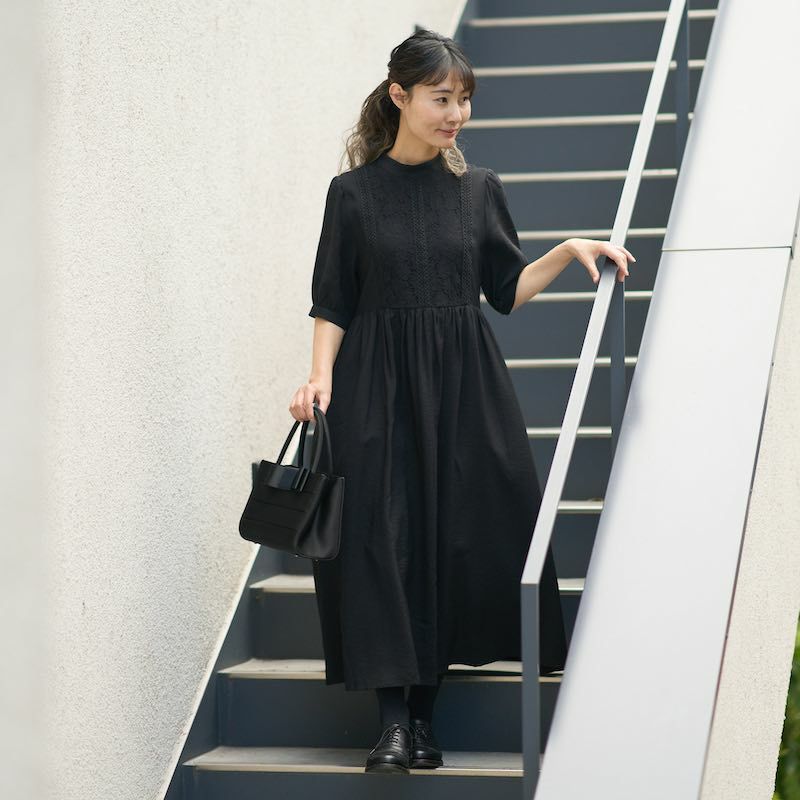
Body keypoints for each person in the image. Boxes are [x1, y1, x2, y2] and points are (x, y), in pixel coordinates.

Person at [288, 28, 635, 775]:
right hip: (375, 384)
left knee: (450, 537)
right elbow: (332, 299)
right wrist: (319, 377)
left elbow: (505, 290)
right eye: (442, 98)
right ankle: (391, 725)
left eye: (465, 100)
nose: (457, 114)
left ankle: (423, 717)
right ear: (400, 96)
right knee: (380, 541)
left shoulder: (479, 190)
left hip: (462, 385)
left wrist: (568, 250)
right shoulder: (351, 196)